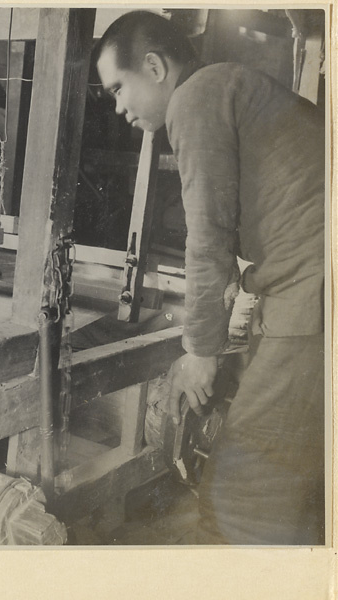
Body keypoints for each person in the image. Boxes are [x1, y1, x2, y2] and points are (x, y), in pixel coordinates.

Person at [96, 10, 325, 545]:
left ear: (153, 66)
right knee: (292, 484)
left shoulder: (194, 99)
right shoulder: (232, 86)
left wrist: (200, 352)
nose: (118, 108)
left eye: (117, 88)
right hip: (314, 285)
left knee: (241, 499)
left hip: (316, 293)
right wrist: (247, 297)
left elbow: (207, 238)